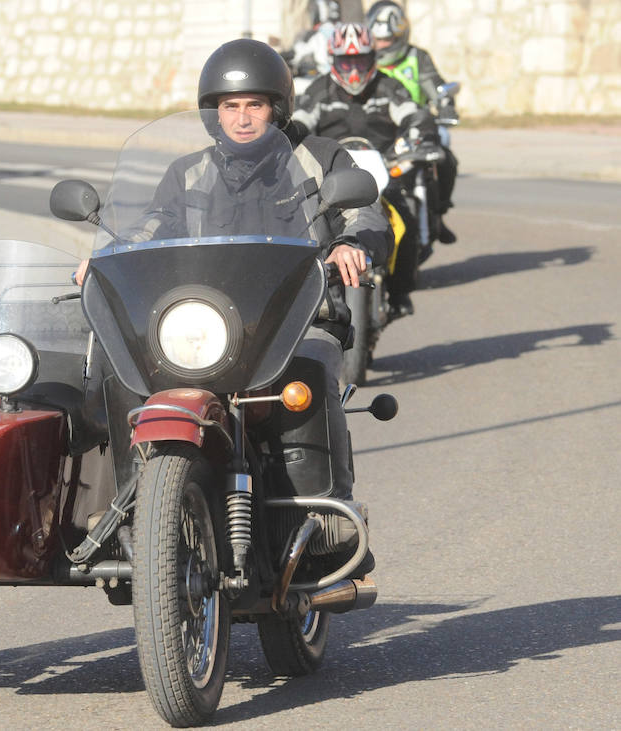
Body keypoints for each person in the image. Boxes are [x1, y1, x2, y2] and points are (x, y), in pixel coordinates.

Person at [77, 39, 393, 577]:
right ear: (212, 114)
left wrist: (351, 244)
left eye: (255, 105)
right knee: (115, 365)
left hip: (297, 321)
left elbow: (366, 214)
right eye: (229, 106)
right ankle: (126, 508)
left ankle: (324, 515)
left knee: (311, 368)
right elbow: (150, 227)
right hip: (204, 325)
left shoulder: (318, 159)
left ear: (278, 107)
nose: (242, 118)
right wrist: (107, 255)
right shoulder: (188, 174)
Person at [289, 22, 437, 317]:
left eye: (360, 60)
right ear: (334, 60)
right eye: (346, 61)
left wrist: (419, 131)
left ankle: (400, 293)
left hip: (382, 169)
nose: (353, 69)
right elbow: (300, 122)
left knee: (403, 221)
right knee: (313, 228)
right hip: (334, 175)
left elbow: (412, 114)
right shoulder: (320, 89)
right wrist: (289, 140)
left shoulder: (389, 86)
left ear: (373, 58)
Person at [366, 0, 459, 243]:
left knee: (445, 151)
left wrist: (445, 104)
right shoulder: (366, 60)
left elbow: (436, 86)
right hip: (378, 127)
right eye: (378, 40)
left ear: (400, 35)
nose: (382, 45)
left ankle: (439, 213)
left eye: (387, 40)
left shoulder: (417, 58)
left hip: (419, 127)